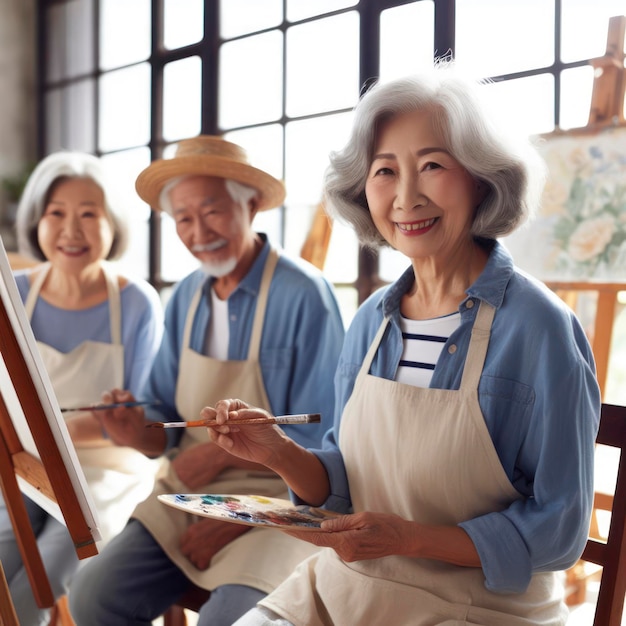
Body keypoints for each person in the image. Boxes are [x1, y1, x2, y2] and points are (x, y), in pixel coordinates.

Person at [200, 65, 602, 626]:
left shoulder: (540, 328)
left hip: (477, 607)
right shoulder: (371, 321)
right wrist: (278, 453)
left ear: (483, 178)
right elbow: (345, 483)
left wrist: (411, 539)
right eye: (385, 171)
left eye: (433, 165)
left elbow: (558, 530)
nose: (406, 195)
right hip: (344, 588)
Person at [68, 135, 346, 626]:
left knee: (227, 620)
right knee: (92, 596)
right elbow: (163, 414)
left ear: (252, 204)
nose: (199, 232)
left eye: (213, 211)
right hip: (187, 495)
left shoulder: (304, 294)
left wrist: (232, 517)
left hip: (281, 502)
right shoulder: (185, 297)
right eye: (183, 219)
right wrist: (137, 430)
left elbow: (324, 440)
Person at [0, 151, 164, 625]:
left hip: (107, 475)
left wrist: (42, 435)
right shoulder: (14, 292)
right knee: (6, 557)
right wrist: (31, 445)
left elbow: (136, 421)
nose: (71, 229)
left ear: (113, 226)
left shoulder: (136, 303)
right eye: (57, 213)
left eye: (89, 214)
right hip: (24, 464)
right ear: (37, 221)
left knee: (44, 574)